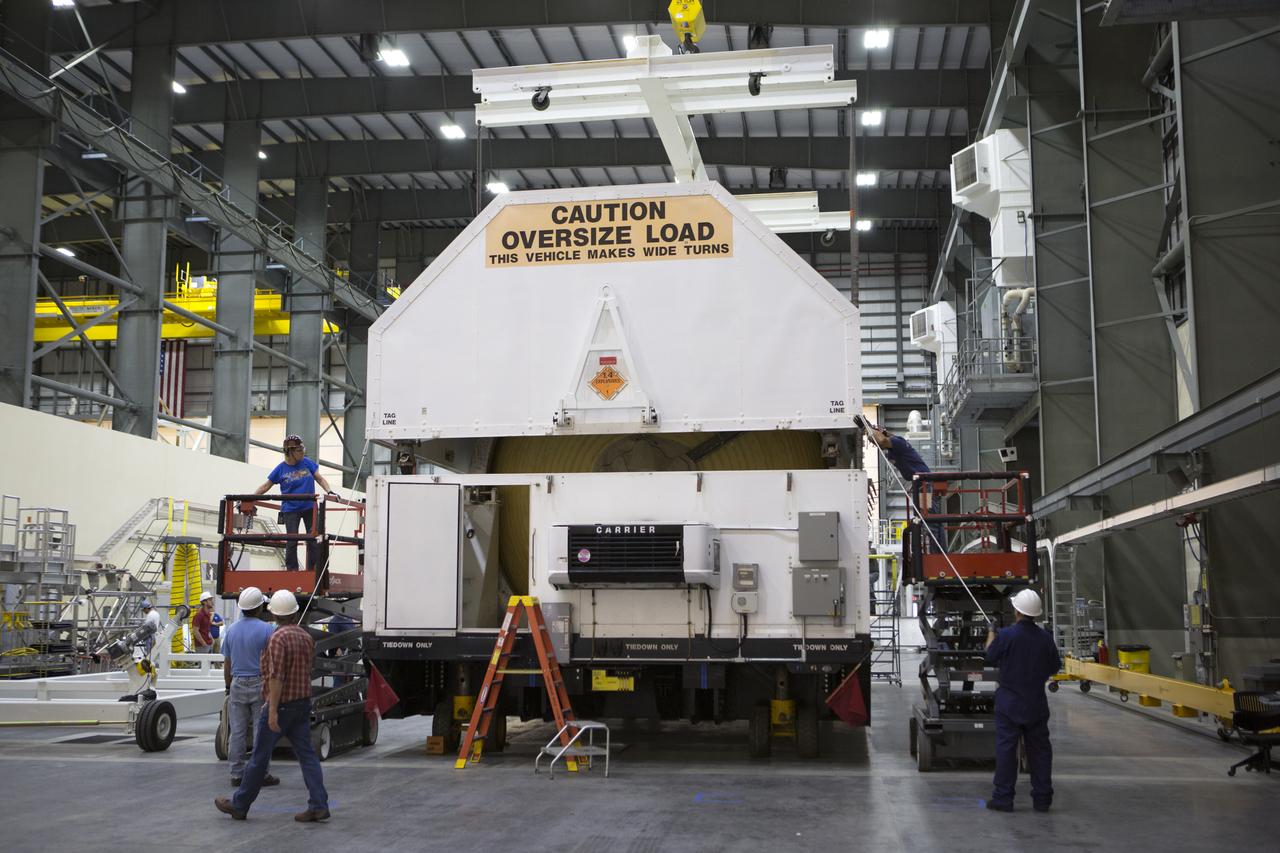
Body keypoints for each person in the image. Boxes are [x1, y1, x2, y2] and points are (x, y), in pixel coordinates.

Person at [216, 590, 329, 822]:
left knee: (258, 756)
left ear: (274, 614)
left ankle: (239, 805)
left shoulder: (277, 638)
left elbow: (276, 676)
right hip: (302, 703)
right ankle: (319, 804)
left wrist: (273, 709)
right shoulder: (306, 637)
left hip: (282, 705)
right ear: (295, 614)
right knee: (307, 756)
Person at [984, 589, 1062, 813]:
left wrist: (992, 631)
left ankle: (1003, 799)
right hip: (1036, 701)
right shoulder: (1046, 639)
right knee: (1039, 751)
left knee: (1007, 750)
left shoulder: (1006, 636)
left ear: (1017, 610)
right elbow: (1054, 667)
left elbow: (990, 656)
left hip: (1009, 701)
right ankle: (1042, 799)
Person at [220, 587, 279, 790]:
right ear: (260, 607)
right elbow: (273, 662)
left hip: (237, 682)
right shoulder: (267, 630)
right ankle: (262, 773)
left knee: (237, 731)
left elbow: (227, 663)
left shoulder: (231, 630)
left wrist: (228, 686)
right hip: (260, 683)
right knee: (261, 731)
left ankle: (236, 774)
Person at [252, 435, 335, 571]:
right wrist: (251, 498)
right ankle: (292, 570)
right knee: (292, 541)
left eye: (302, 449)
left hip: (310, 507)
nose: (302, 452)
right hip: (291, 509)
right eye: (299, 450)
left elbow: (320, 479)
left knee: (314, 539)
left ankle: (313, 570)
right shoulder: (280, 469)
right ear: (289, 452)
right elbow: (266, 486)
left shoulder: (307, 463)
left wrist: (329, 491)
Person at [865, 421, 948, 551]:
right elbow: (883, 439)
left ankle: (938, 554)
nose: (874, 443)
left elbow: (881, 440)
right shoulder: (894, 446)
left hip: (924, 485)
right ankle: (938, 551)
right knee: (928, 520)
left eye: (873, 440)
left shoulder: (896, 443)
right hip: (919, 485)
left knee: (930, 521)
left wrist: (868, 429)